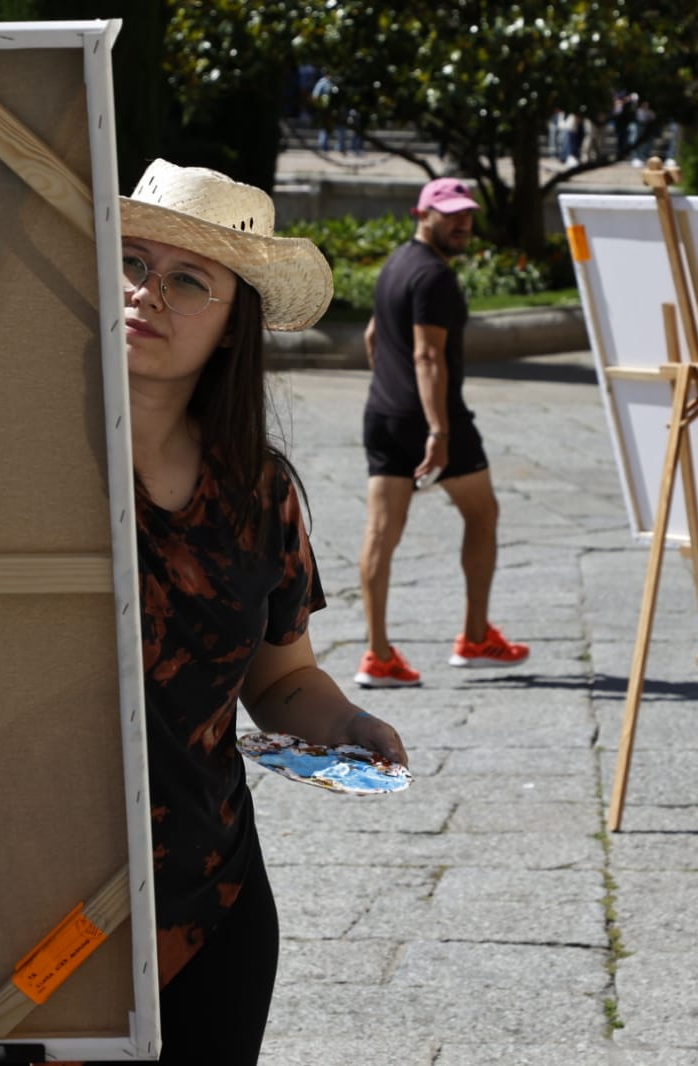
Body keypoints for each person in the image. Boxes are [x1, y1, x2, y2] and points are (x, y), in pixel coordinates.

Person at [119, 158, 408, 1061]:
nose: (145, 292)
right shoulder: (13, 464)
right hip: (24, 907)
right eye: (129, 262)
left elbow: (279, 677)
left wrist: (348, 720)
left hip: (213, 904)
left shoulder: (258, 491)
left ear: (234, 327)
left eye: (186, 278)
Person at [355, 177, 530, 687]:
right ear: (422, 213)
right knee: (483, 512)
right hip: (433, 418)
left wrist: (390, 390)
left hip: (383, 413)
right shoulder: (434, 277)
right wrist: (437, 430)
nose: (462, 222)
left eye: (467, 213)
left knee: (380, 534)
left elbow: (372, 335)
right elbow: (427, 355)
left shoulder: (395, 265)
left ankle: (377, 654)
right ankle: (474, 638)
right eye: (450, 212)